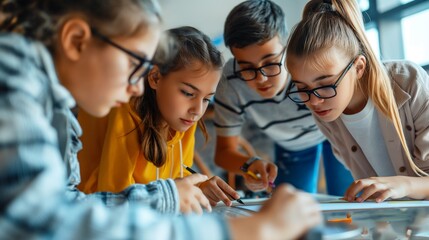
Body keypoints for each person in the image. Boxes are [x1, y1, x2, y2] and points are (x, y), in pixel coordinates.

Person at [0, 0, 322, 239]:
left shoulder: (58, 107)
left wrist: (175, 192)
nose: (138, 86)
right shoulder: (11, 73)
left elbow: (69, 204)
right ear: (75, 41)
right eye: (134, 64)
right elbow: (44, 223)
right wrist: (250, 230)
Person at [78, 26, 241, 208]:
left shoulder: (185, 117)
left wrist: (198, 188)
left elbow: (174, 181)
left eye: (207, 99)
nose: (197, 110)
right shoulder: (124, 108)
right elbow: (116, 198)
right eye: (188, 93)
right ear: (155, 78)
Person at [285, 0, 429, 203]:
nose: (314, 101)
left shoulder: (409, 82)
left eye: (325, 84)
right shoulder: (325, 111)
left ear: (358, 67)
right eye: (302, 88)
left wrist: (402, 184)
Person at [214, 0, 353, 195]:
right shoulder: (230, 81)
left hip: (338, 132)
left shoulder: (306, 60)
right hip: (291, 143)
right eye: (247, 68)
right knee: (291, 207)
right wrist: (248, 165)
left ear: (286, 47)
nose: (261, 78)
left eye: (270, 63)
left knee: (348, 199)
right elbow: (223, 152)